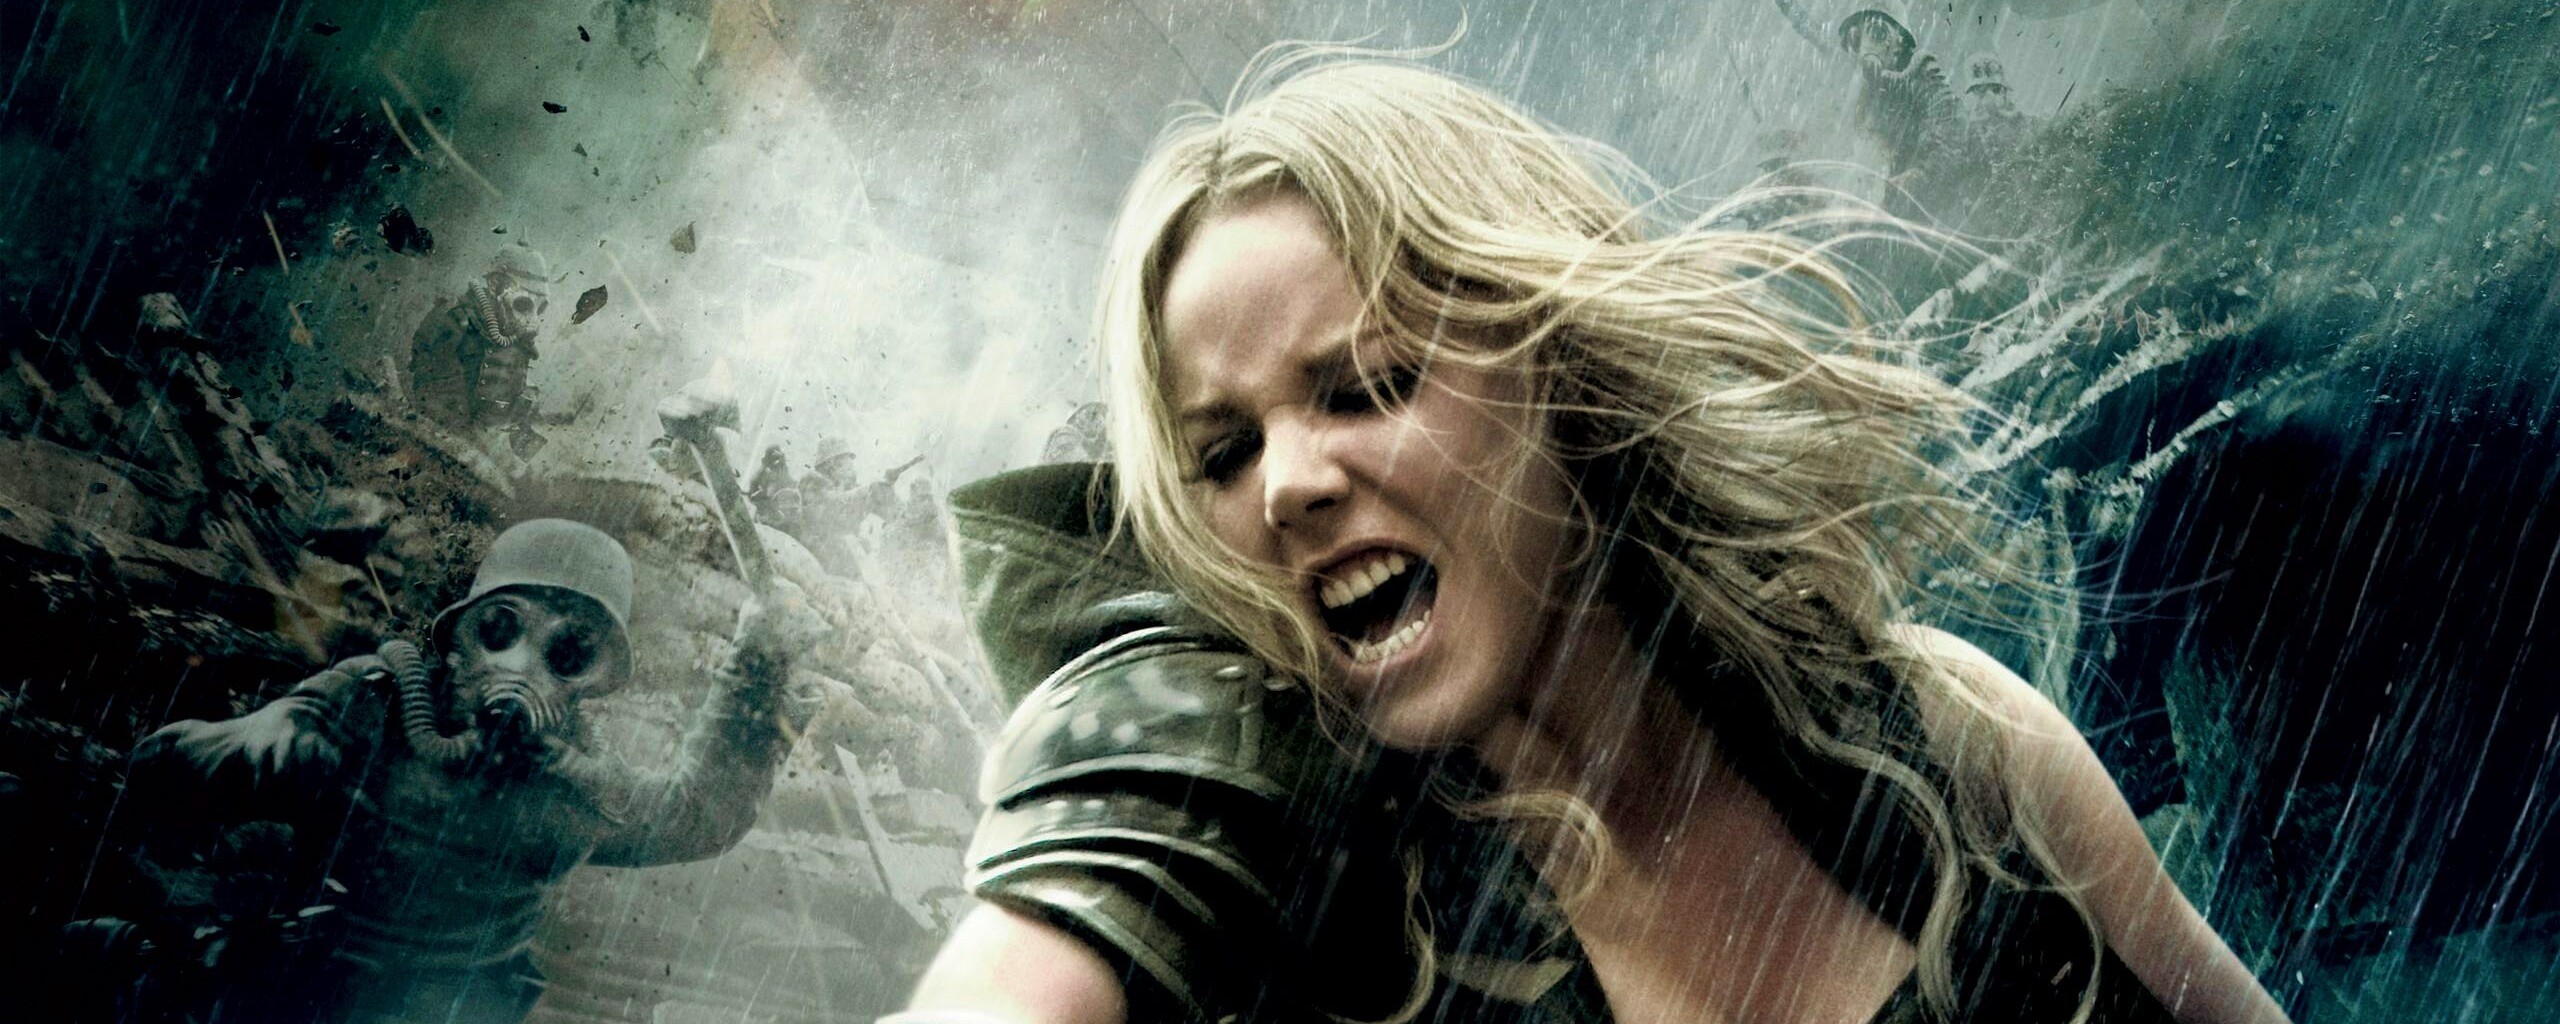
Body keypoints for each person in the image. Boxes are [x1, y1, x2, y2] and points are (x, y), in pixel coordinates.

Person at [903, 55, 2290, 1024]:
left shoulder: (1942, 739)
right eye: (1224, 454)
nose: (1286, 485)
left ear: (1555, 374)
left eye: (1365, 384)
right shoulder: (1347, 957)